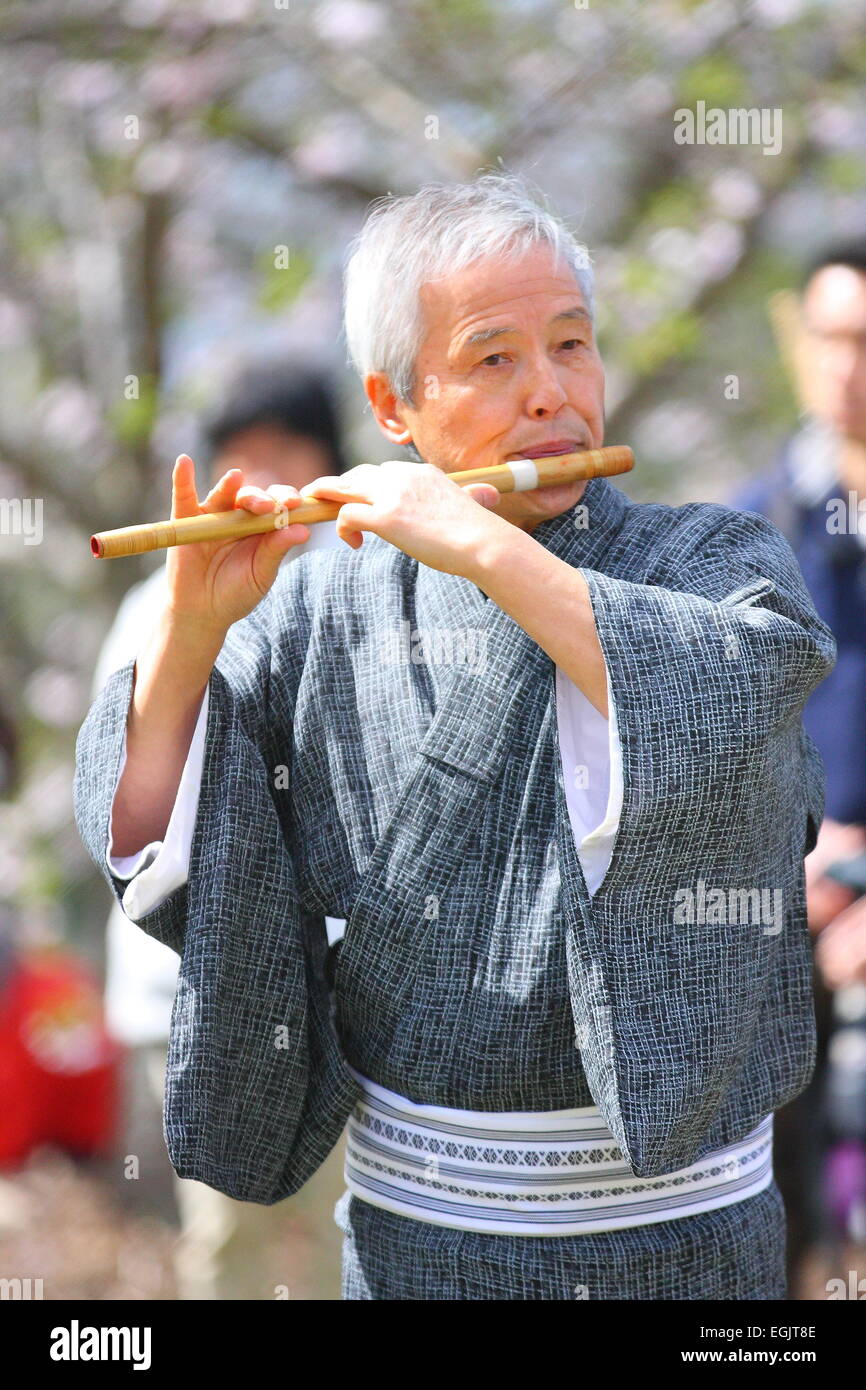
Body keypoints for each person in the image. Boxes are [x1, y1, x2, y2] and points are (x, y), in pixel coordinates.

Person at [74, 172, 836, 1301]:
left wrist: (485, 552)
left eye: (571, 346)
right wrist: (189, 631)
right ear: (393, 408)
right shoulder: (320, 604)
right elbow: (149, 835)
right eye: (493, 359)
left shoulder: (717, 564)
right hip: (420, 1236)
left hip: (683, 1242)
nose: (550, 393)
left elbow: (733, 708)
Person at [91, 360, 349, 1298]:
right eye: (245, 452)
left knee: (339, 1229)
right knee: (225, 1236)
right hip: (190, 982)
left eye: (287, 449)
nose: (265, 473)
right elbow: (126, 793)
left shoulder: (364, 576)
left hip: (340, 982)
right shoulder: (155, 600)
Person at [730, 241, 866, 1288]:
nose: (846, 369)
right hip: (776, 914)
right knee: (770, 1222)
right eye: (829, 339)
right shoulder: (747, 530)